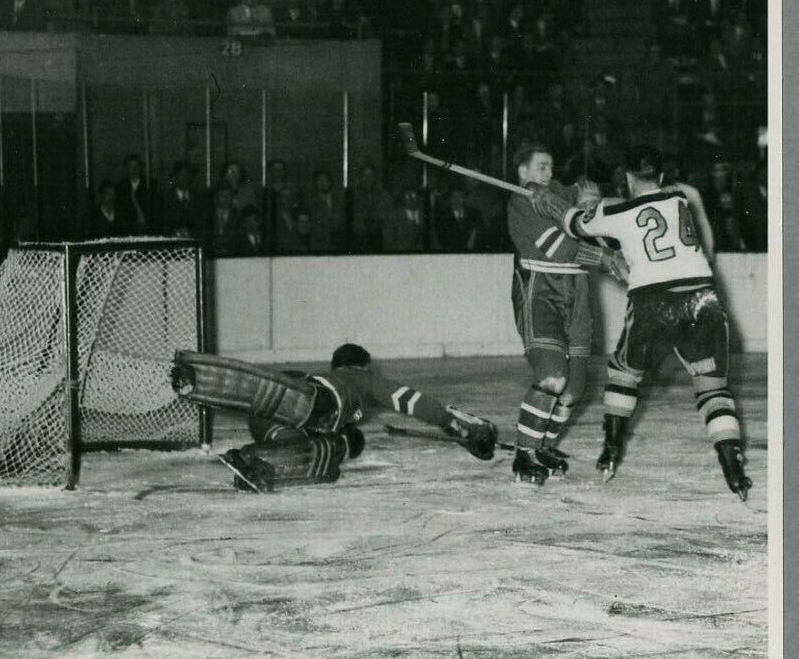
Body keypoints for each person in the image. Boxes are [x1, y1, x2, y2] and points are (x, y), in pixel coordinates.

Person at [539, 146, 751, 499]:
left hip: (655, 300)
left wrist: (549, 199)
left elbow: (575, 225)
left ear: (627, 177)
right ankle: (733, 468)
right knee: (713, 390)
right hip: (704, 297)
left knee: (624, 377)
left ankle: (610, 452)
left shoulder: (616, 209)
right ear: (661, 175)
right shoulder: (678, 197)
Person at [171, 342, 499, 492]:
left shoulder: (333, 382)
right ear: (362, 365)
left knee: (319, 451)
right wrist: (451, 425)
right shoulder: (361, 379)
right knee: (308, 414)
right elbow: (411, 400)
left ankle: (249, 460)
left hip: (268, 424)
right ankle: (198, 376)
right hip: (315, 402)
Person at [506, 144, 626, 485]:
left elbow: (586, 192)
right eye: (541, 167)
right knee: (552, 376)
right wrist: (603, 258)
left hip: (578, 295)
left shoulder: (555, 191)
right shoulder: (519, 203)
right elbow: (561, 250)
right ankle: (524, 453)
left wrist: (590, 198)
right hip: (541, 291)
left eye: (551, 167)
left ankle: (543, 445)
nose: (548, 173)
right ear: (523, 173)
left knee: (574, 387)